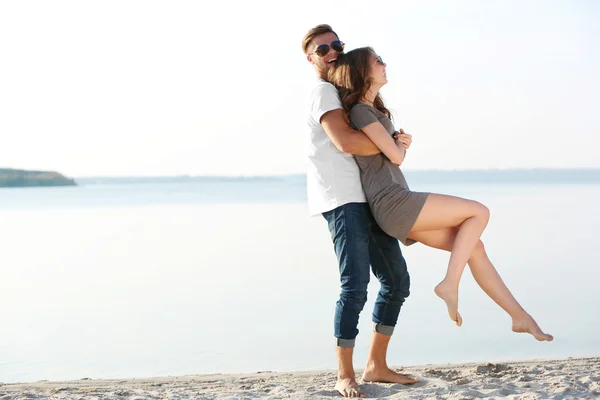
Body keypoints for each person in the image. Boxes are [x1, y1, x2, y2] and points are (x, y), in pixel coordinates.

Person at [327, 46, 553, 341]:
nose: (384, 64)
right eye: (377, 61)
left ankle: (520, 317)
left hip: (394, 204)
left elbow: (391, 153)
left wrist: (397, 142)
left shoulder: (373, 110)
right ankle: (450, 283)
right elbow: (395, 157)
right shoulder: (360, 110)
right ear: (361, 72)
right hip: (393, 202)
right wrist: (401, 144)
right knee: (479, 211)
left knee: (475, 247)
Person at [302, 25, 417, 398]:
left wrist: (390, 142)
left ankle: (377, 365)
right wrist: (390, 145)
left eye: (337, 45)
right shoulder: (323, 92)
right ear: (311, 59)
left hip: (370, 199)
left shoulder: (345, 94)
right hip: (342, 200)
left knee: (397, 281)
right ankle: (344, 375)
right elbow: (347, 142)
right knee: (355, 286)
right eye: (323, 49)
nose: (332, 51)